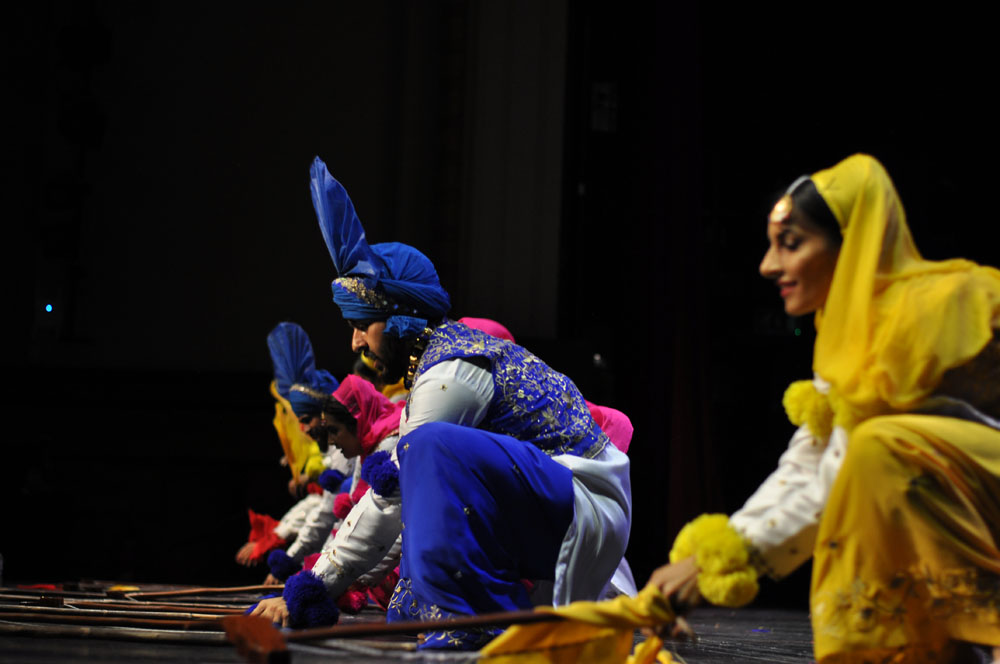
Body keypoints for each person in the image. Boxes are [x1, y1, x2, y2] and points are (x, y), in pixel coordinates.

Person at [251, 158, 632, 650]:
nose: (353, 345)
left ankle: (476, 618)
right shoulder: (434, 368)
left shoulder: (452, 371)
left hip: (580, 506)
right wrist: (336, 581)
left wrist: (317, 583)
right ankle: (474, 612)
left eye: (360, 324)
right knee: (422, 479)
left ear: (402, 318)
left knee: (427, 450)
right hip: (552, 505)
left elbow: (392, 494)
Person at [649, 154, 1000, 663]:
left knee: (879, 453)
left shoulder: (935, 308)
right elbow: (812, 459)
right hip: (953, 507)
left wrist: (739, 555)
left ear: (850, 246)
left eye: (790, 245)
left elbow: (844, 460)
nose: (768, 266)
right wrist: (716, 553)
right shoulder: (846, 333)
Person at [235, 322, 350, 570]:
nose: (303, 430)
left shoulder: (343, 454)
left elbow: (326, 512)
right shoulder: (330, 447)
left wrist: (284, 546)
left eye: (306, 420)